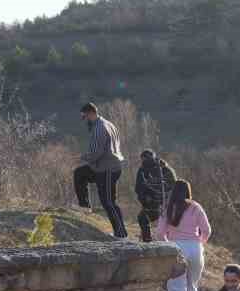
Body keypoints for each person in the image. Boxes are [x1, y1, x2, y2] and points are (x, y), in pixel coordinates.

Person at [154, 180, 211, 291]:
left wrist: (168, 245)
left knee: (177, 289)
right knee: (192, 286)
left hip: (176, 248)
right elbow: (207, 230)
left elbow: (159, 233)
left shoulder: (168, 208)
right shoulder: (196, 207)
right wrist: (200, 242)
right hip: (195, 248)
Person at [72, 103, 128, 239]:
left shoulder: (99, 128)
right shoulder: (108, 124)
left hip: (107, 169)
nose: (85, 121)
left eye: (85, 117)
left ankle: (121, 234)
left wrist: (81, 158)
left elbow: (96, 153)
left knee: (108, 202)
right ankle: (85, 206)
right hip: (103, 167)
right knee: (80, 174)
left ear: (91, 113)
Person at [133, 150, 175, 243]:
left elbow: (174, 186)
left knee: (143, 217)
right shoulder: (143, 170)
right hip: (158, 205)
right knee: (143, 217)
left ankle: (150, 240)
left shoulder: (162, 169)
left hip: (163, 205)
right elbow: (138, 189)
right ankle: (148, 239)